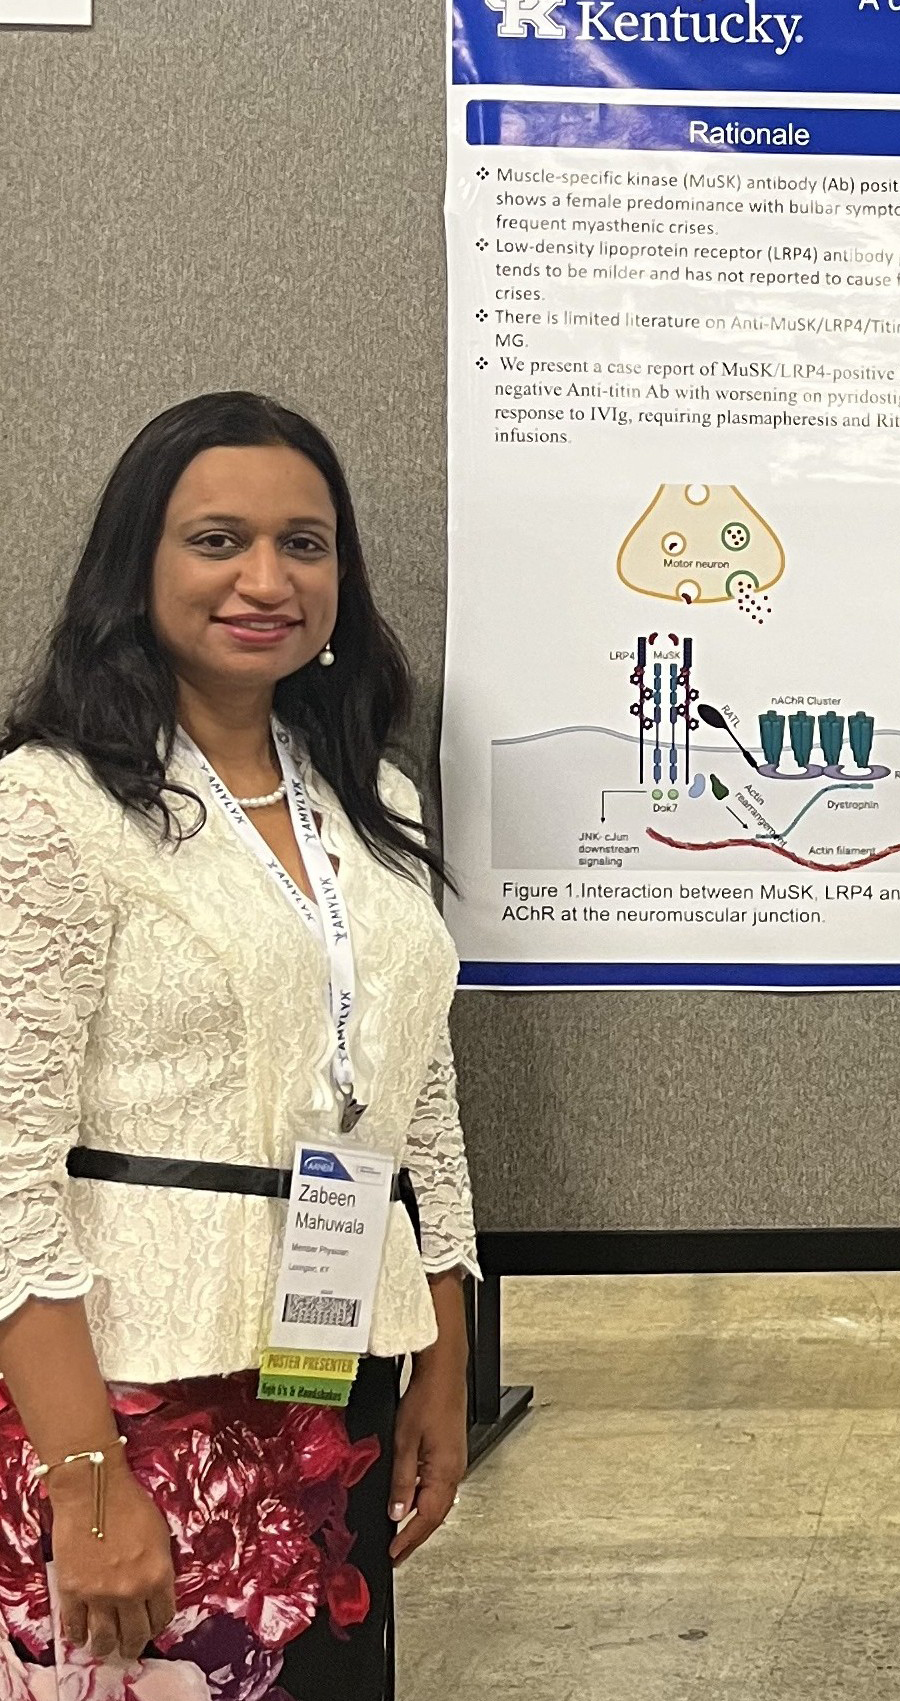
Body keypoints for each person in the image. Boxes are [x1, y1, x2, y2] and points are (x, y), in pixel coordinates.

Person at [0, 393, 477, 1698]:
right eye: (218, 539)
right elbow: (2, 1172)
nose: (266, 578)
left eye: (306, 544)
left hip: (329, 1372)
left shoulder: (366, 796)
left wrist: (445, 1350)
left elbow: (415, 1090)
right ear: (135, 567)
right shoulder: (51, 807)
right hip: (133, 1396)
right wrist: (86, 1478)